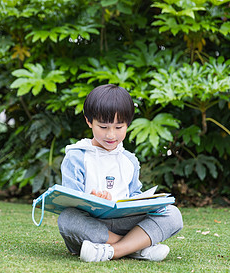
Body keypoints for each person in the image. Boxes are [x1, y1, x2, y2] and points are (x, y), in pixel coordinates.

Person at [58, 84, 183, 262]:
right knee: (67, 219)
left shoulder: (129, 160)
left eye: (119, 127)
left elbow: (134, 197)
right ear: (88, 121)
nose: (111, 135)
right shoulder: (76, 156)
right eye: (103, 127)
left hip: (125, 224)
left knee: (172, 214)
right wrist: (92, 200)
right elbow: (69, 200)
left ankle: (112, 251)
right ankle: (135, 248)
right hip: (93, 227)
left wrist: (145, 202)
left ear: (128, 124)